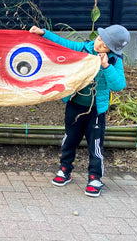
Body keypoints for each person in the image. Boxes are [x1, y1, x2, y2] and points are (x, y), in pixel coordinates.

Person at [29, 24, 130, 197]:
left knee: (95, 145)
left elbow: (119, 85)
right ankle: (65, 169)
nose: (99, 44)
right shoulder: (84, 48)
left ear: (112, 49)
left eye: (104, 45)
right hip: (75, 104)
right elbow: (63, 43)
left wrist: (106, 66)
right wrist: (44, 33)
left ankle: (94, 178)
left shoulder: (114, 61)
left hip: (96, 110)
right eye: (99, 39)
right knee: (70, 139)